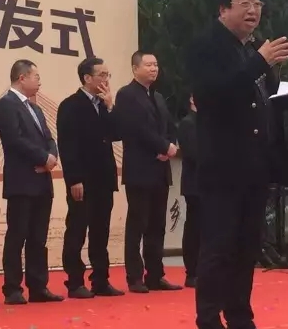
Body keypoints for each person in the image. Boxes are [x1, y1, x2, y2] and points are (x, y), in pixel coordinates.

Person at [185, 0, 288, 329]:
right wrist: (259, 62)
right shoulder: (206, 46)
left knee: (246, 248)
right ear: (222, 9)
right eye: (244, 3)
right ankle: (209, 319)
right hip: (222, 167)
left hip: (256, 166)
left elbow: (266, 102)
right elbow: (213, 96)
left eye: (257, 3)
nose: (253, 10)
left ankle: (240, 316)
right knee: (218, 248)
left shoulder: (252, 49)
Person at [0, 60, 63, 305]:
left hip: (42, 180)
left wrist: (51, 157)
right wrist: (43, 157)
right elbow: (14, 139)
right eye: (36, 76)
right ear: (22, 78)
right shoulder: (6, 104)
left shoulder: (35, 108)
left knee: (38, 237)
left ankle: (38, 286)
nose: (39, 81)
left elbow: (49, 138)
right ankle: (13, 288)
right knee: (17, 236)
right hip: (21, 181)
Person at [115, 51, 182, 293]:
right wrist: (162, 147)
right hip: (140, 168)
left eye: (155, 64)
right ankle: (135, 277)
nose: (154, 69)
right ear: (135, 68)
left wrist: (169, 146)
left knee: (157, 225)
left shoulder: (158, 96)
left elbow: (169, 127)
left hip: (160, 169)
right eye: (148, 65)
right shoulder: (126, 95)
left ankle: (156, 275)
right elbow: (136, 129)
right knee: (138, 224)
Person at [57, 57, 125, 298]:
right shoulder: (70, 105)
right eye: (102, 75)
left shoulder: (105, 104)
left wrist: (110, 107)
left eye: (108, 75)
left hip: (104, 178)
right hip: (82, 180)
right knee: (77, 230)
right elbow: (67, 145)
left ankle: (100, 280)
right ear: (87, 78)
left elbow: (117, 133)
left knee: (101, 231)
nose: (106, 80)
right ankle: (75, 281)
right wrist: (74, 179)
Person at [177, 95, 199, 288]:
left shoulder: (209, 122)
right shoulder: (188, 123)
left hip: (211, 183)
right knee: (194, 226)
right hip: (195, 183)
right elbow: (193, 153)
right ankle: (192, 271)